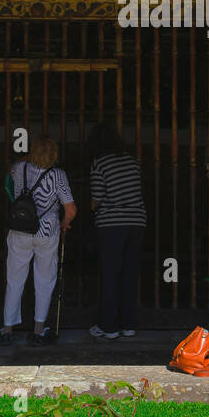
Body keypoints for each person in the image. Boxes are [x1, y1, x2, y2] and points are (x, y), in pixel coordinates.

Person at [0, 136, 76, 346]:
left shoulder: (19, 168)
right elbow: (71, 209)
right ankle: (38, 329)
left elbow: (9, 181)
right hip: (46, 231)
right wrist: (65, 223)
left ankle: (7, 329)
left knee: (14, 279)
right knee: (44, 279)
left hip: (20, 230)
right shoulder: (58, 175)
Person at [87, 123, 146, 340]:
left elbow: (97, 199)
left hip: (112, 224)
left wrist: (92, 206)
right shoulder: (133, 162)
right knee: (130, 274)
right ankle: (128, 325)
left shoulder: (99, 163)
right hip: (137, 221)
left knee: (111, 275)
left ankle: (108, 326)